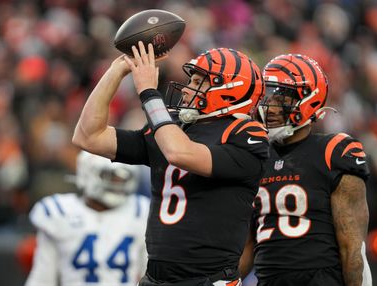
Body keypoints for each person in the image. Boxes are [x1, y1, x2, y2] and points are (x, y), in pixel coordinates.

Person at [72, 42, 269, 286]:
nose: (187, 89)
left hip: (207, 279)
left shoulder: (246, 134)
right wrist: (117, 70)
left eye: (198, 82)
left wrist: (148, 93)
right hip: (156, 278)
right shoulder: (174, 127)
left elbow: (178, 152)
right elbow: (88, 136)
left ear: (229, 90)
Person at [239, 54, 372, 286]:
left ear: (309, 100)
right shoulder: (255, 155)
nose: (269, 107)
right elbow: (247, 245)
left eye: (281, 98)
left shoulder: (333, 151)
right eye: (267, 96)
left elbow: (352, 248)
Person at [25, 151, 150, 286]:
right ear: (88, 174)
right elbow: (42, 279)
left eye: (122, 178)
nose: (117, 182)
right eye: (109, 176)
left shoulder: (141, 211)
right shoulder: (58, 213)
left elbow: (150, 275)